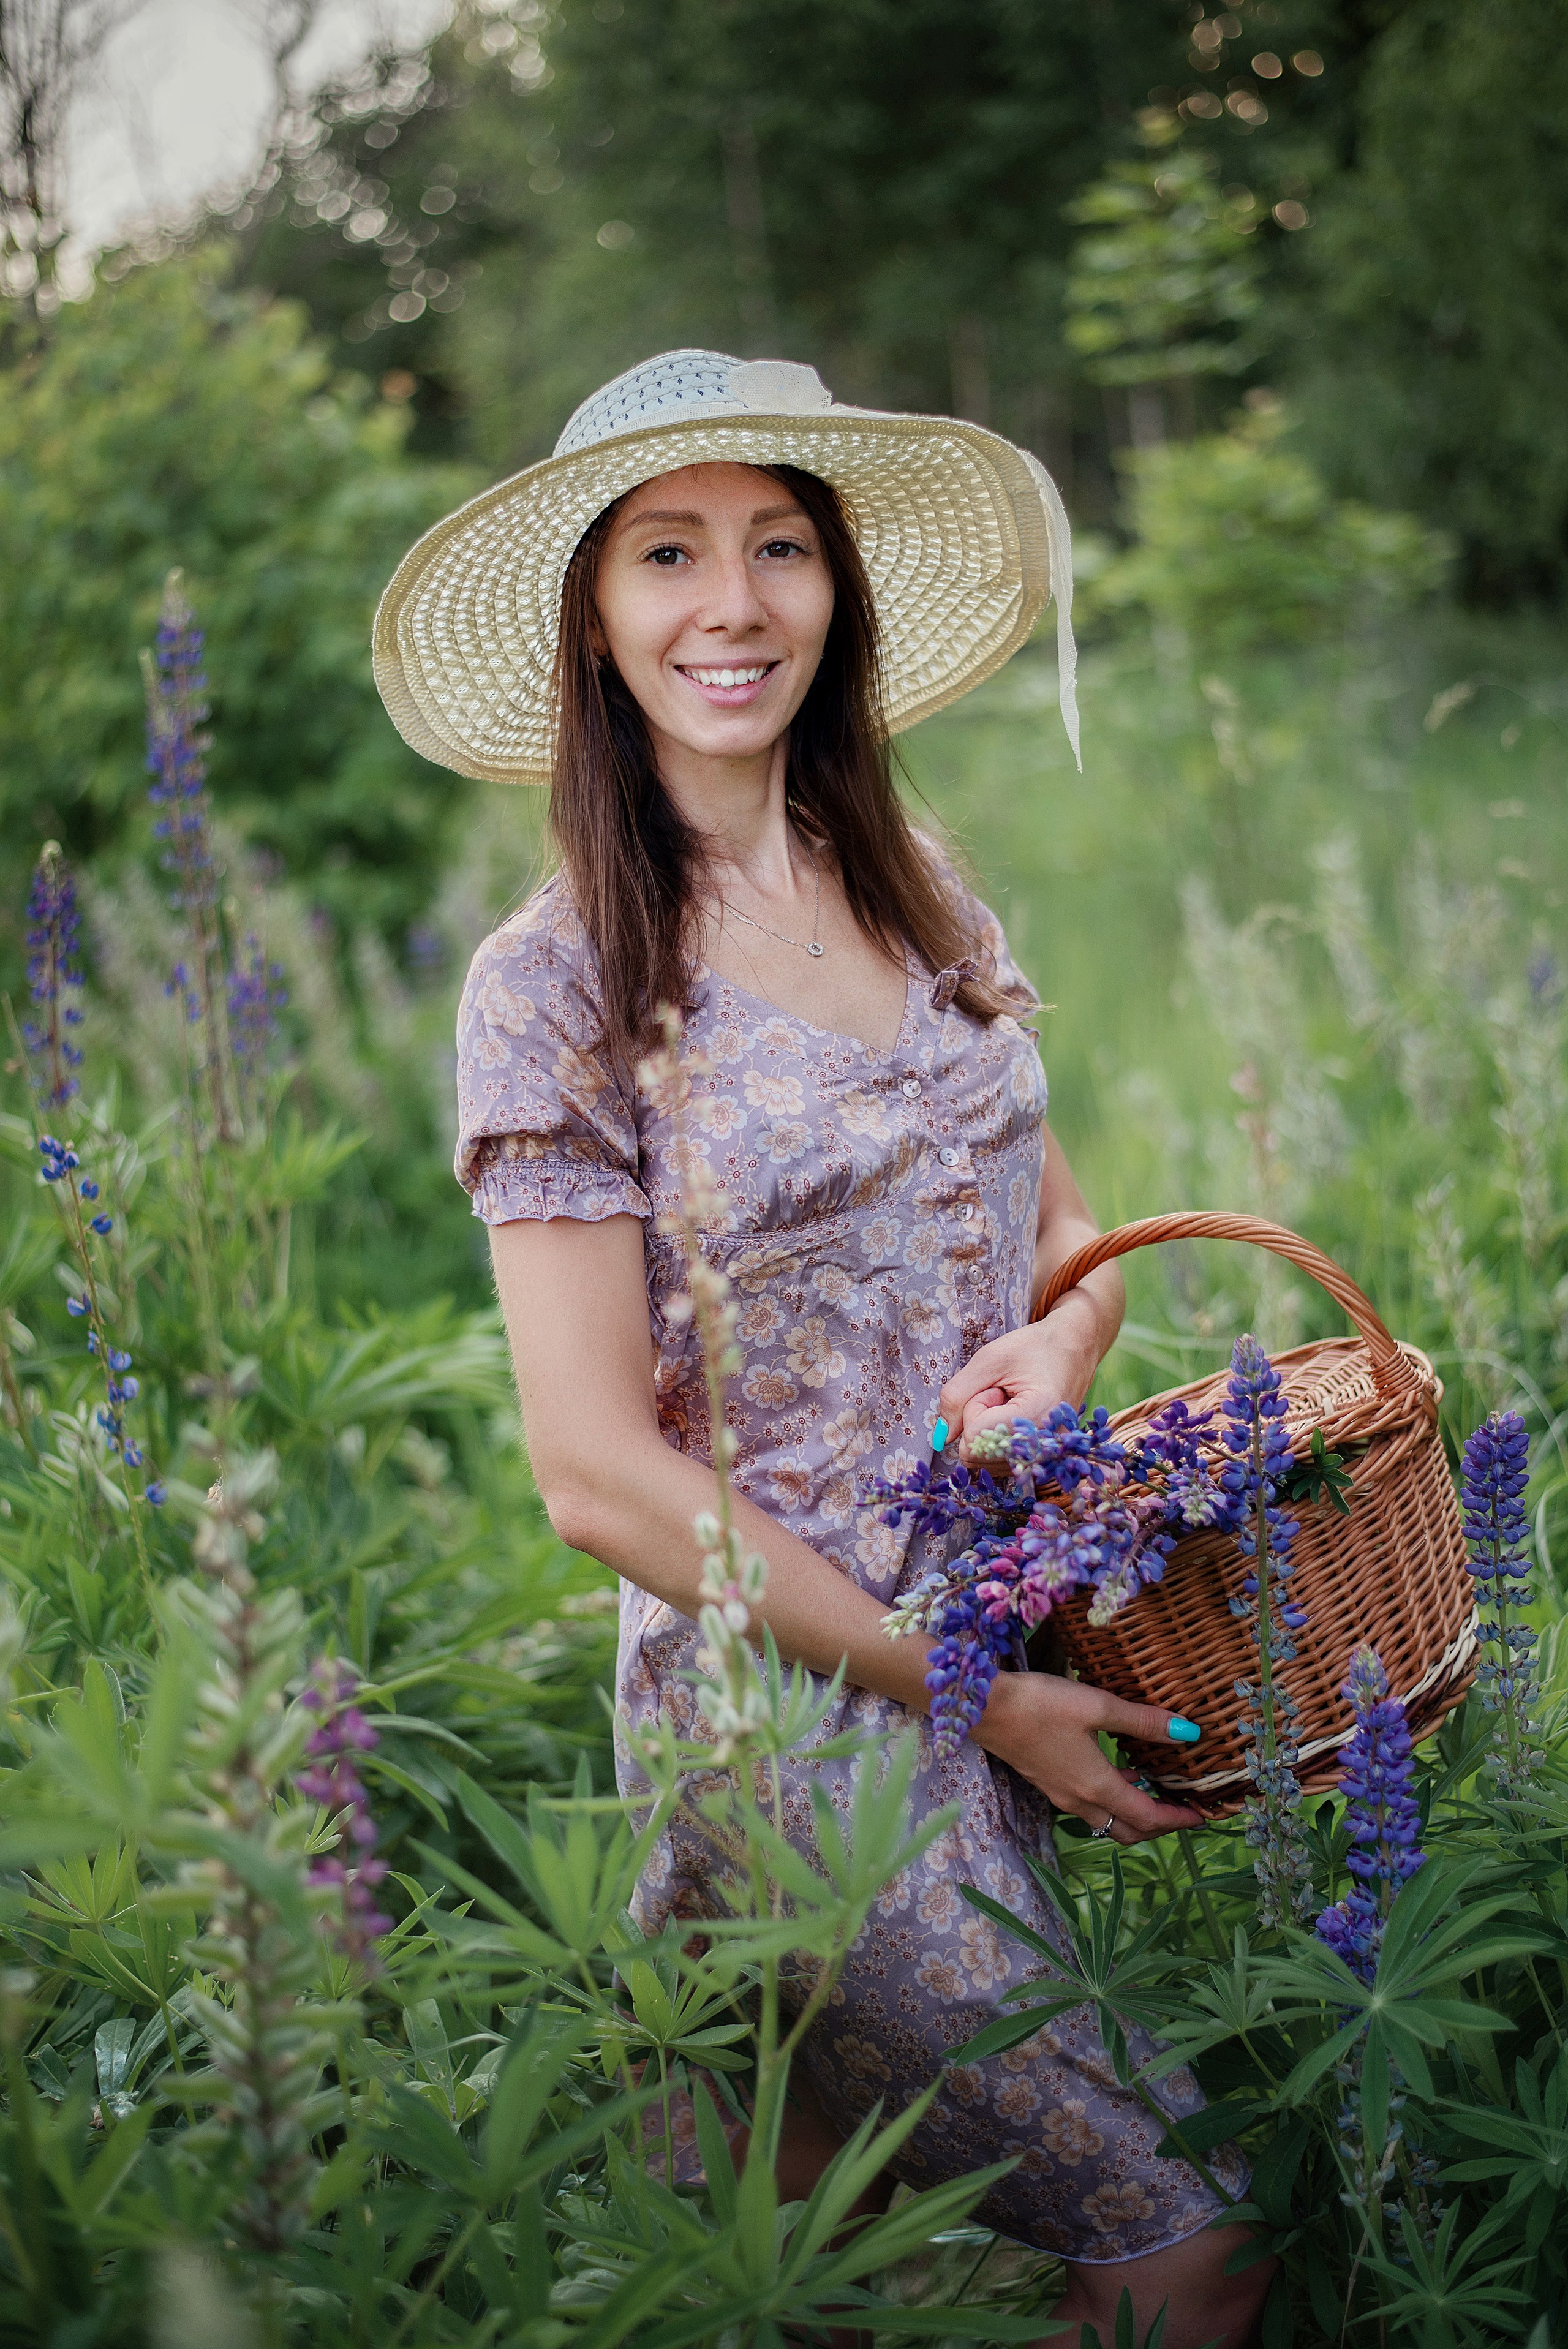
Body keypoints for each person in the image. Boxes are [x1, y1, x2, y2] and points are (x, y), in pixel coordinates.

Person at [375, 350, 1268, 2347]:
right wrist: (968, 1700)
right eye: (669, 552)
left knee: (836, 2286)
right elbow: (592, 1467)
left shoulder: (917, 880)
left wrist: (1067, 1339)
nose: (734, 603)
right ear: (595, 615)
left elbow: (1067, 1235)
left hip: (1012, 1630)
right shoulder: (555, 984)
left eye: (779, 545)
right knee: (1189, 2250)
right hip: (786, 1726)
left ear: (837, 591)